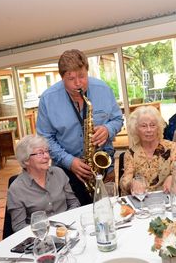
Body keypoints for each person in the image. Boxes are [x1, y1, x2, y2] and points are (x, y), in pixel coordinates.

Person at [36, 49, 123, 205]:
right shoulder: (48, 99)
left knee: (111, 210)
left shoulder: (103, 89)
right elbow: (45, 138)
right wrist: (70, 161)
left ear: (87, 71)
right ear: (62, 78)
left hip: (104, 166)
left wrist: (108, 129)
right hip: (67, 171)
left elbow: (117, 118)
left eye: (82, 76)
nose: (78, 83)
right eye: (71, 78)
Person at [7, 134, 80, 233]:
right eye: (40, 153)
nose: (47, 156)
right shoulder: (16, 189)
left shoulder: (59, 173)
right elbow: (19, 226)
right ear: (26, 160)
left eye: (46, 151)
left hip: (67, 230)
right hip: (40, 239)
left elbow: (74, 203)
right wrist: (44, 233)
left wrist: (66, 224)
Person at [119, 106, 176, 196]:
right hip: (142, 201)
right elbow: (125, 181)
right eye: (144, 126)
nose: (149, 130)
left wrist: (172, 177)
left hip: (168, 198)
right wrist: (132, 183)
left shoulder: (172, 148)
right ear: (136, 129)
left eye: (153, 125)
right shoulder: (131, 154)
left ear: (158, 127)